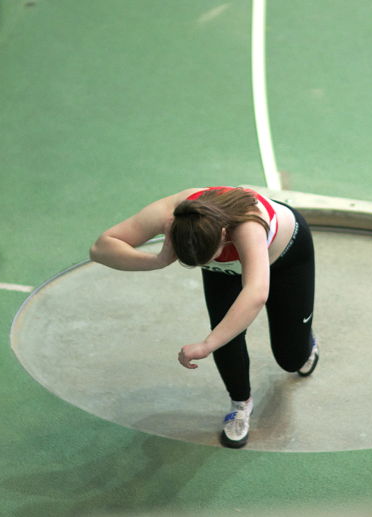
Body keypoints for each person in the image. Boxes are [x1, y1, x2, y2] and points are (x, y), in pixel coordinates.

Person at [90, 186, 318, 448]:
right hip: (225, 270)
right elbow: (100, 247)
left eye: (210, 257)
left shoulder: (248, 226)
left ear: (223, 234)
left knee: (291, 359)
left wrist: (206, 345)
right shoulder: (171, 214)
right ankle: (240, 403)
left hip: (286, 258)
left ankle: (306, 342)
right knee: (225, 333)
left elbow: (255, 293)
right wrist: (157, 260)